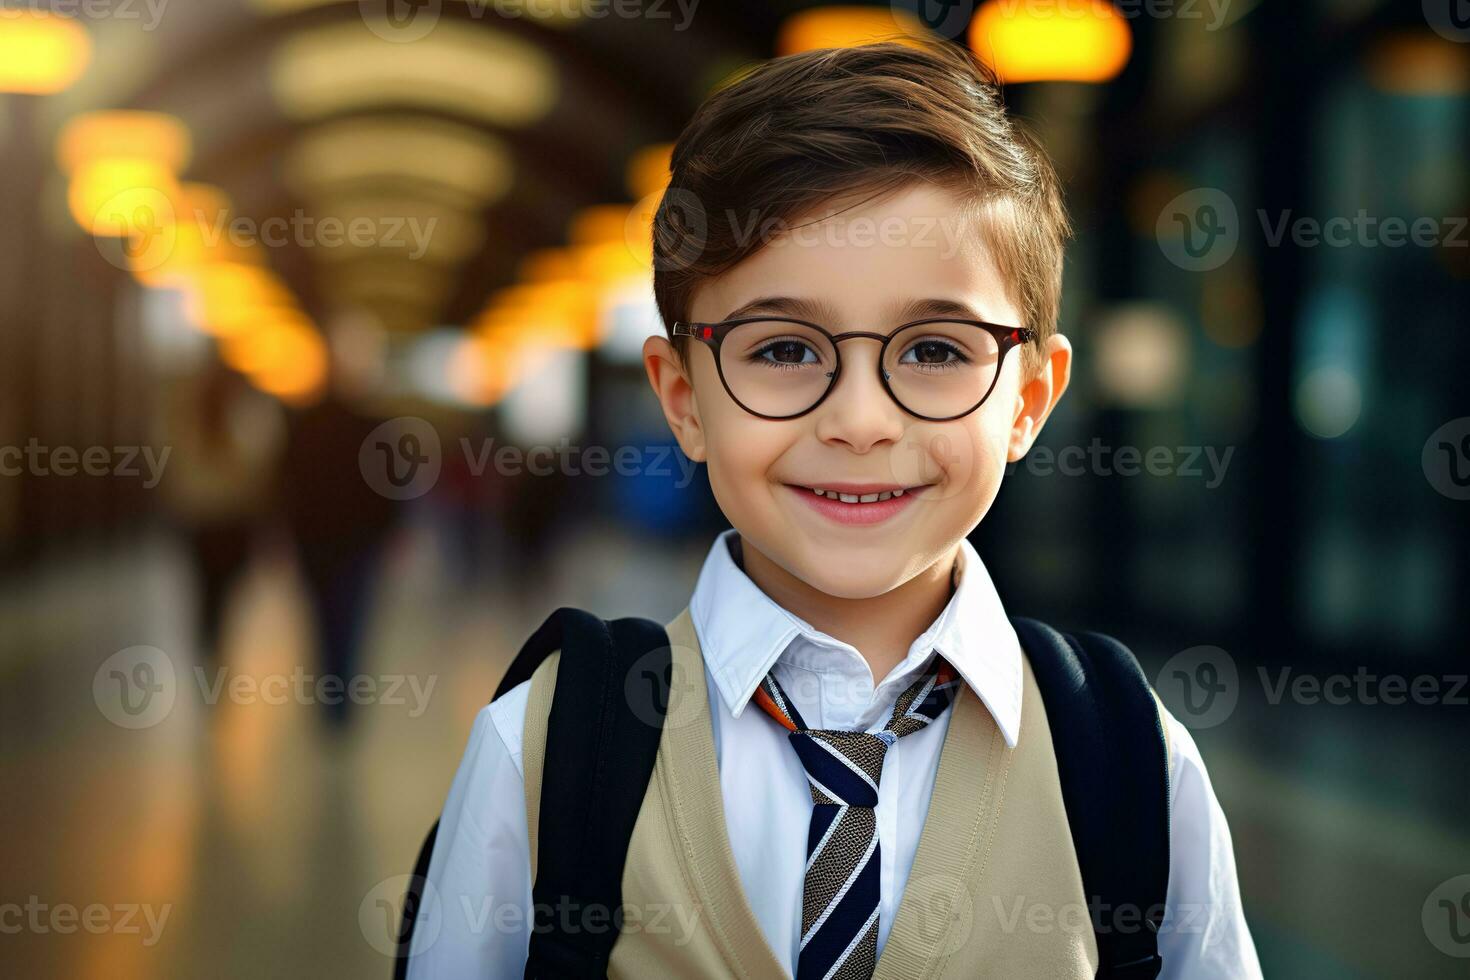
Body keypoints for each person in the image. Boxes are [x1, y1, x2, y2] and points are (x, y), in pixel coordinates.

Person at [409, 40, 1261, 978]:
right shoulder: (549, 748)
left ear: (1027, 401)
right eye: (783, 350)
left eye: (937, 350)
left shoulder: (1129, 761)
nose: (860, 420)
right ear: (684, 396)